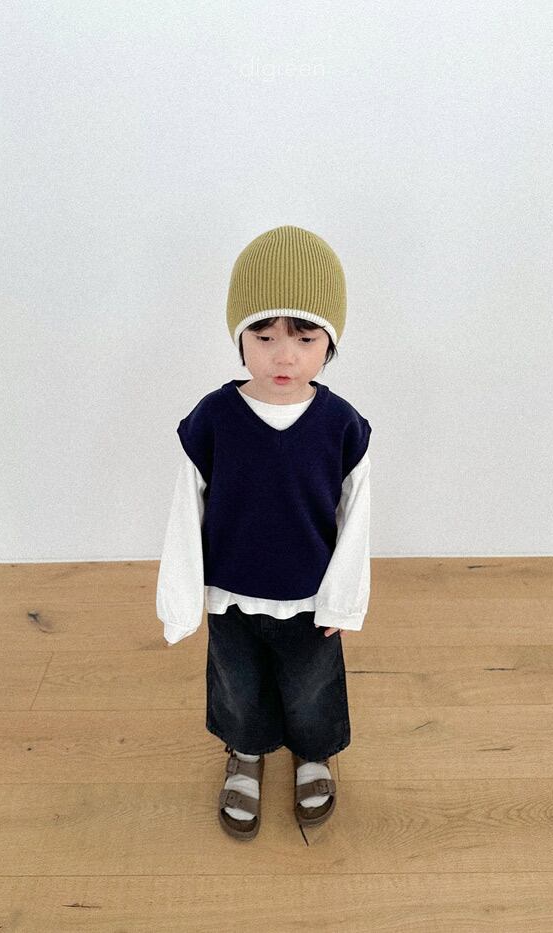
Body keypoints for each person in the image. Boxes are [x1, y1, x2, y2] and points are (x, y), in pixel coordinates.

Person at [156, 224, 372, 840]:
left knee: (311, 685)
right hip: (230, 591)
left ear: (329, 342)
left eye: (304, 338)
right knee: (238, 684)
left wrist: (343, 600)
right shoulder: (213, 419)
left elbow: (356, 517)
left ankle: (312, 753)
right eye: (264, 336)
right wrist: (182, 599)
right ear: (240, 337)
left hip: (309, 595)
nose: (284, 356)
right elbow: (184, 510)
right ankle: (245, 751)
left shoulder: (341, 426)